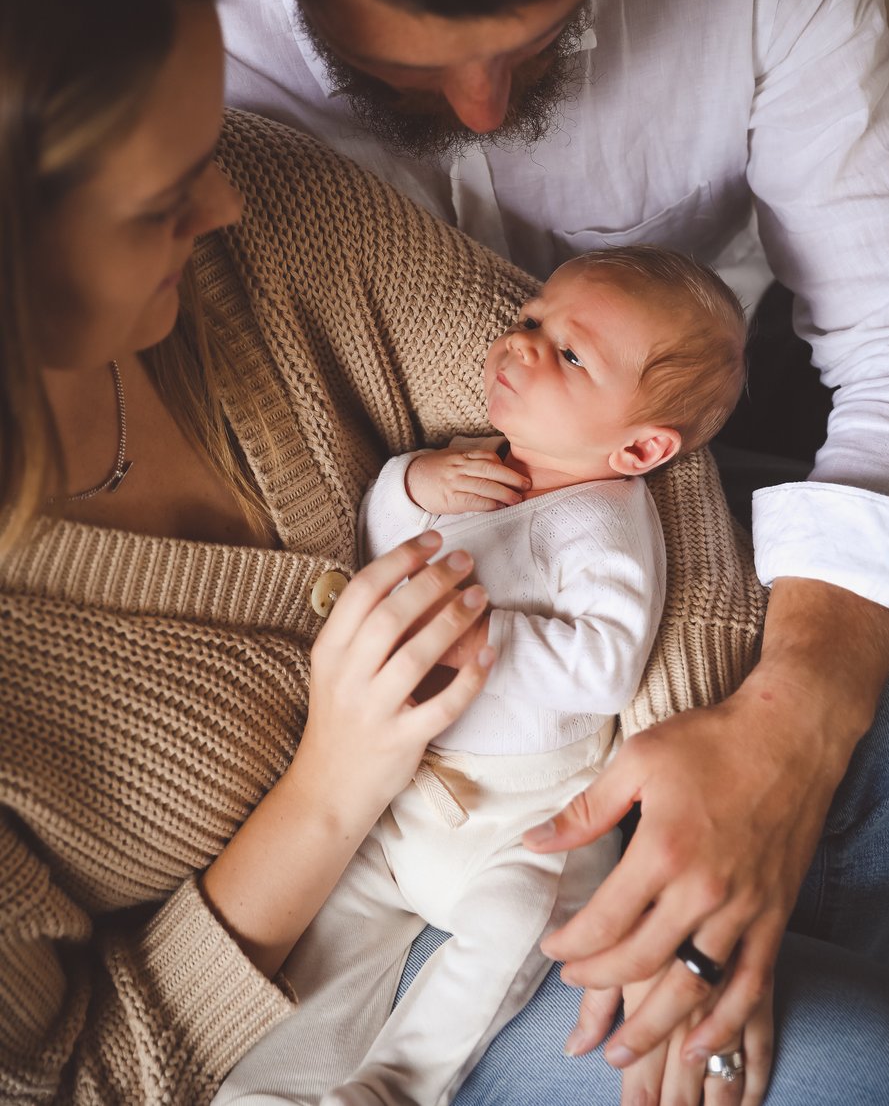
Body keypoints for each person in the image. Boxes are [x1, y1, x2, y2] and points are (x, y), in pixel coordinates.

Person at [0, 0, 889, 1106]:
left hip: (534, 830)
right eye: (162, 200)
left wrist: (687, 813)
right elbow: (75, 1077)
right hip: (286, 1005)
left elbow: (639, 452)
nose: (228, 205)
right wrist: (330, 786)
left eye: (207, 149)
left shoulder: (258, 204)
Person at [178, 0, 889, 1078]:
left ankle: (776, 967)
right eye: (406, 70)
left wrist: (789, 732)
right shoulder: (191, 39)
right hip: (414, 607)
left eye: (539, 33)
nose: (489, 109)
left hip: (677, 449)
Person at [214, 247, 746, 1105]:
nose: (523, 346)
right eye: (533, 319)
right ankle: (268, 1087)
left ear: (641, 446)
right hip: (401, 796)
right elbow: (384, 538)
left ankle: (398, 1081)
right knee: (330, 936)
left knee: (514, 931)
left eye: (571, 355)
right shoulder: (479, 460)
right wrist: (411, 482)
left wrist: (474, 633)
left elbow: (605, 666)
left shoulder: (606, 527)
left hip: (523, 825)